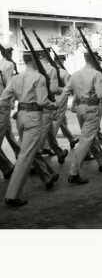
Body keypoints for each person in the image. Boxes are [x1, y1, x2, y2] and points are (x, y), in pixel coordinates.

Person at [0, 51, 57, 207]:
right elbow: (42, 101)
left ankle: (47, 176)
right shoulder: (39, 77)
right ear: (36, 60)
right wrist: (54, 105)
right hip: (33, 117)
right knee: (25, 156)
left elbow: (4, 98)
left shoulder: (16, 78)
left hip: (20, 117)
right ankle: (12, 194)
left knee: (29, 151)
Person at [57, 52, 102, 184]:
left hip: (80, 109)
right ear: (95, 60)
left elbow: (65, 92)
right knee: (85, 141)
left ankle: (101, 159)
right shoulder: (97, 74)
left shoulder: (75, 74)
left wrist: (57, 107)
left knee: (89, 137)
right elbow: (100, 95)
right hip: (91, 109)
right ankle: (74, 172)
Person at [51, 53, 79, 149]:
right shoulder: (63, 73)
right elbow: (69, 88)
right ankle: (49, 145)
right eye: (63, 60)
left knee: (62, 121)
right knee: (57, 121)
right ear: (61, 60)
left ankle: (71, 139)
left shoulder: (49, 70)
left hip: (51, 97)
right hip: (61, 98)